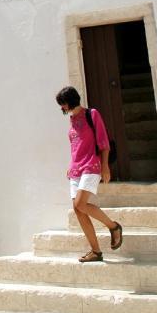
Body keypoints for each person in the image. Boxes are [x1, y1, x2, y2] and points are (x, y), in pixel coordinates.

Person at [55, 86, 123, 263]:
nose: (61, 108)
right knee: (78, 210)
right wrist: (71, 166)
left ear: (69, 102)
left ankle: (113, 227)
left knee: (80, 203)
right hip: (76, 169)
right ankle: (96, 251)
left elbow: (103, 141)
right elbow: (76, 146)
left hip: (92, 165)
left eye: (62, 104)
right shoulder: (72, 120)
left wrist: (105, 166)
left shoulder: (92, 114)